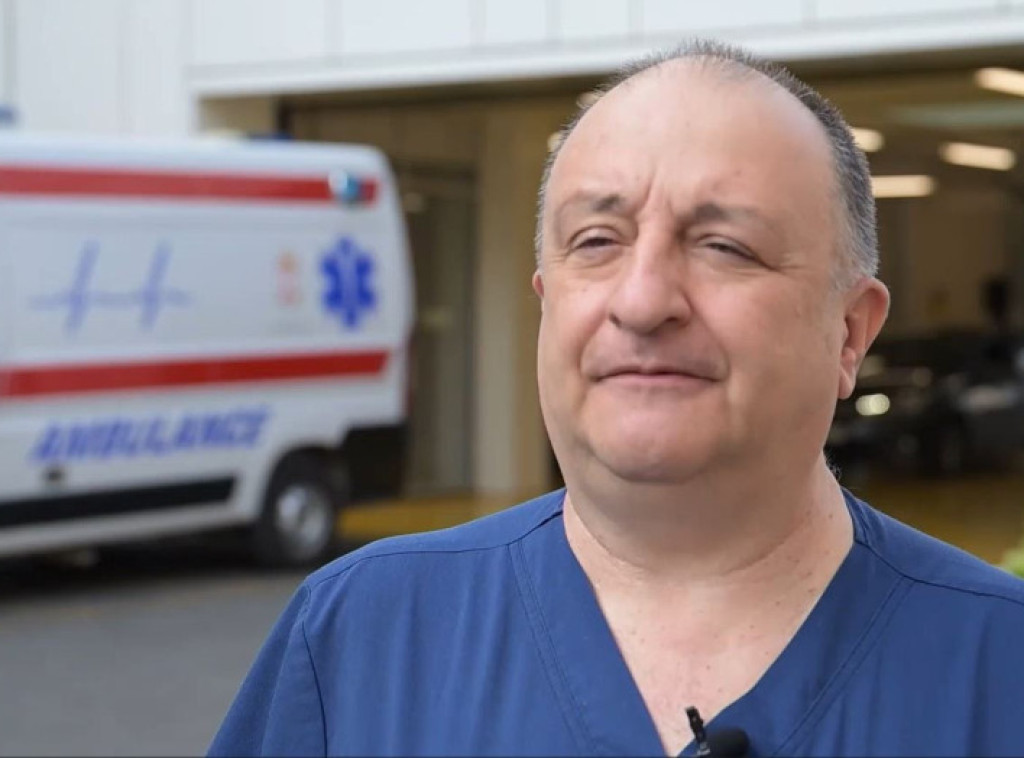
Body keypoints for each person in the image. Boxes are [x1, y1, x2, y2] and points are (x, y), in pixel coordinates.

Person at [209, 39, 1024, 757]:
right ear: (546, 302)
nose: (641, 301)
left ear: (849, 332)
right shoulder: (362, 638)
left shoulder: (1000, 666)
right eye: (596, 241)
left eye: (725, 245)